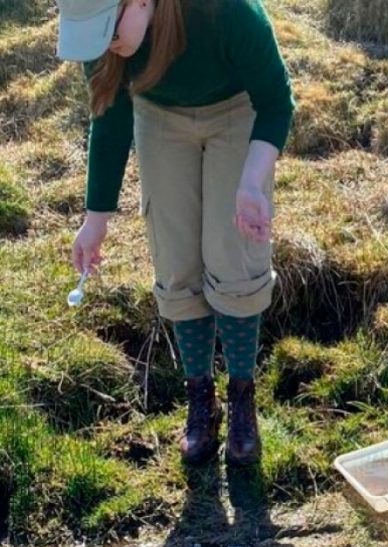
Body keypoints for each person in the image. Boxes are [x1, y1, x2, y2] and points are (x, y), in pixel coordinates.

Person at [55, 0, 295, 466]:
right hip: (159, 118)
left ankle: (243, 396)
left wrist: (251, 183)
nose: (104, 44)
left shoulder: (227, 12)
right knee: (176, 256)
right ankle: (201, 400)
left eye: (107, 30)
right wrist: (95, 218)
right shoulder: (101, 29)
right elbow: (109, 114)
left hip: (237, 111)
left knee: (233, 252)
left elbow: (275, 101)